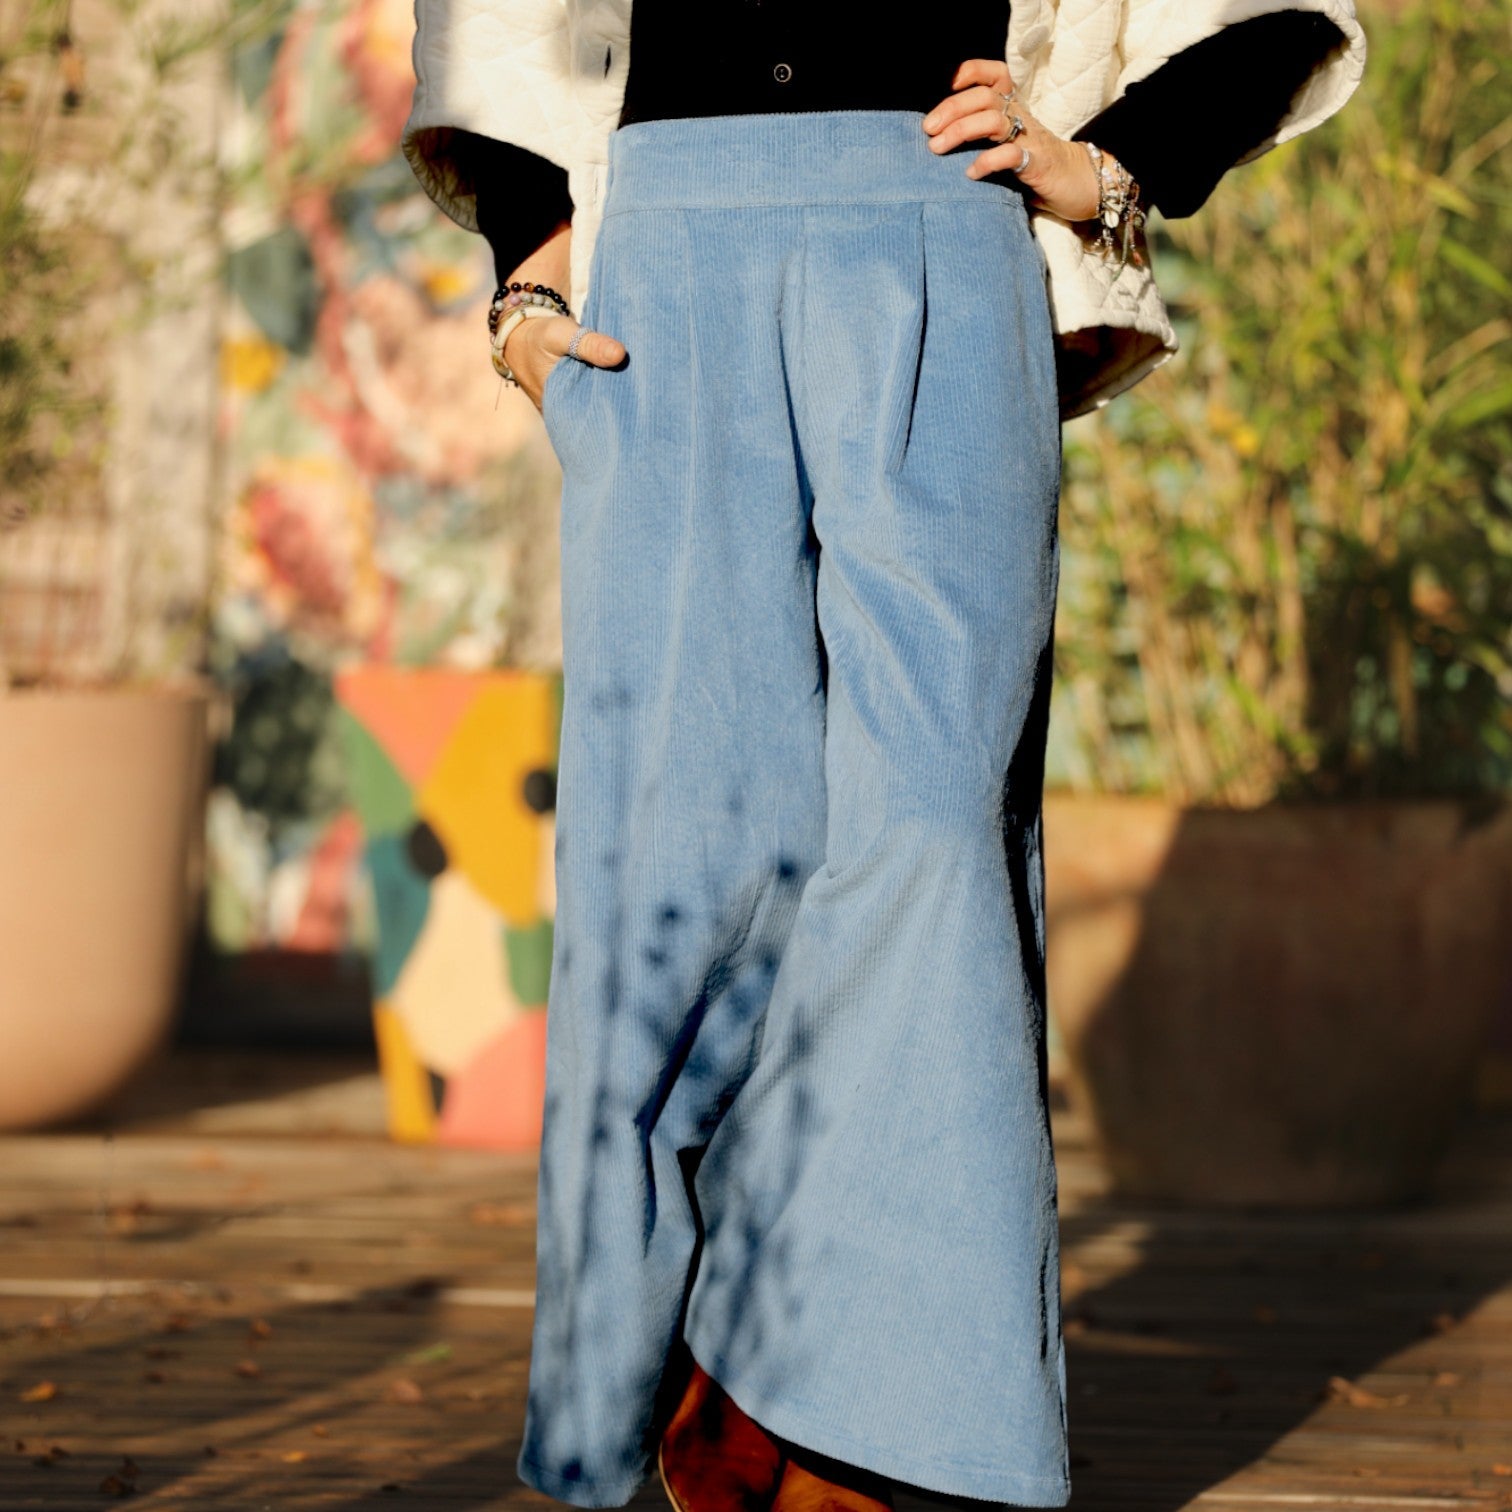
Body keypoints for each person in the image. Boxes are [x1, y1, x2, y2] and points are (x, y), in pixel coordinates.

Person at [399, 5, 1365, 1510]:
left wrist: (1115, 164)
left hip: (939, 218)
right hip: (669, 256)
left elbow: (1278, 17)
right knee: (688, 843)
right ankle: (702, 1351)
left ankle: (882, 1422)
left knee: (934, 827)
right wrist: (528, 278)